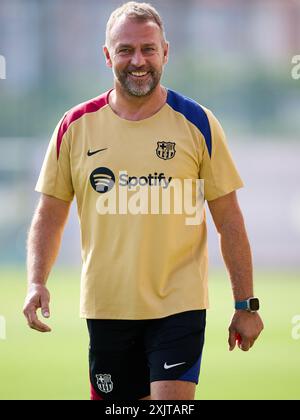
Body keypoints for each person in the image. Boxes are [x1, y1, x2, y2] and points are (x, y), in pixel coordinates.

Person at [23, 1, 264, 400]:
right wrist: (36, 282)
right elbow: (49, 215)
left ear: (165, 52)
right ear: (107, 56)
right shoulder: (74, 126)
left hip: (179, 306)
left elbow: (229, 220)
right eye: (126, 50)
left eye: (148, 49)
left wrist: (246, 304)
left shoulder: (198, 123)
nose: (138, 60)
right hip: (107, 308)